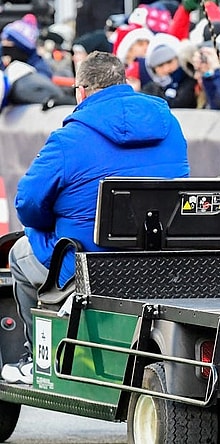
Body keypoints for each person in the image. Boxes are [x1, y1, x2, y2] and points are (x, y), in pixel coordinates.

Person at [1, 51, 190, 385]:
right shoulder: (169, 124)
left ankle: (34, 356)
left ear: (82, 91)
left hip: (86, 266)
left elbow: (27, 204)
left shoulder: (69, 139)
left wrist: (44, 226)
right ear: (124, 82)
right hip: (156, 261)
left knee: (17, 254)